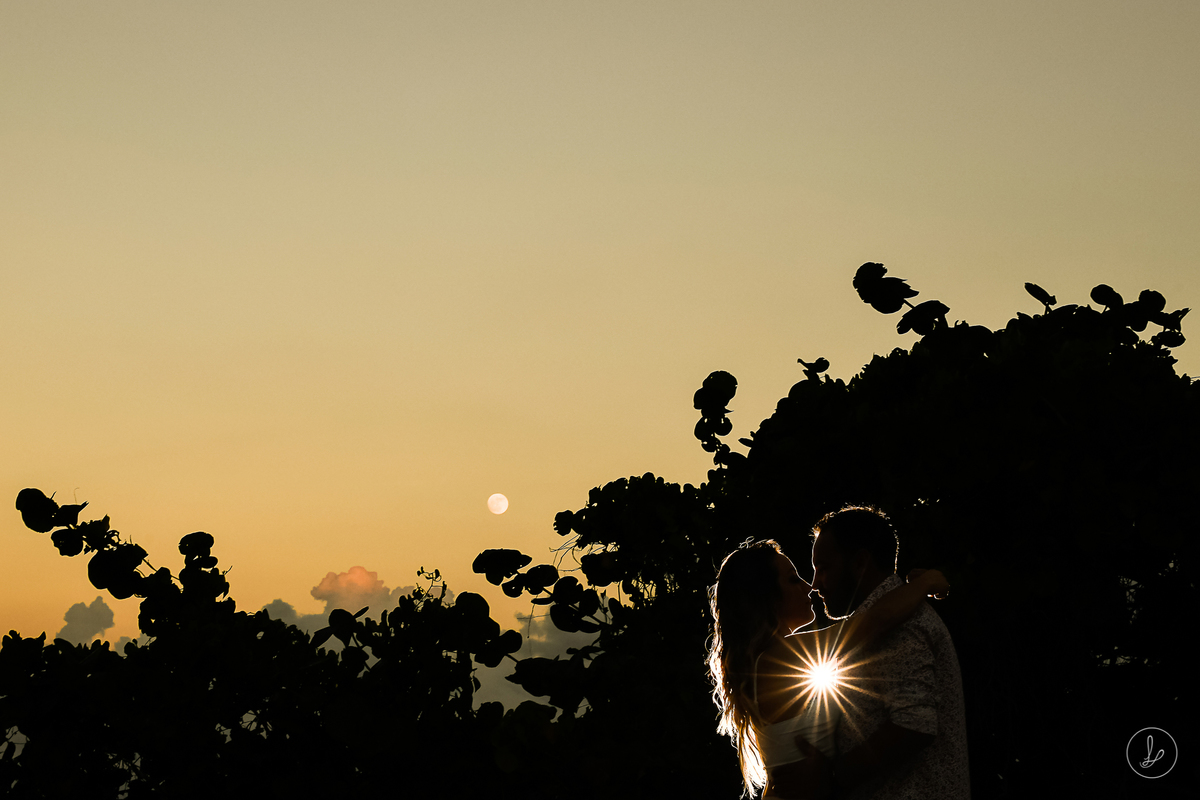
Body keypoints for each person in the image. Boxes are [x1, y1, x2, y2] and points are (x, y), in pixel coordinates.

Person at [707, 538, 950, 798]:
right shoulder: (777, 658)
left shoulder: (771, 659)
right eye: (793, 579)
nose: (808, 587)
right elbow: (877, 620)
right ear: (766, 598)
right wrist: (925, 583)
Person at [808, 505, 969, 799]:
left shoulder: (902, 624)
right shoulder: (885, 618)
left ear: (860, 562)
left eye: (824, 568)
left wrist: (832, 780)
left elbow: (914, 726)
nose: (815, 584)